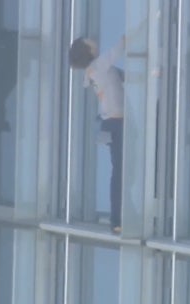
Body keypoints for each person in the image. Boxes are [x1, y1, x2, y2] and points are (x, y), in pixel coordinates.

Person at [69, 37, 125, 234]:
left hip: (113, 123)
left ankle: (118, 218)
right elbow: (121, 45)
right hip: (117, 124)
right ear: (88, 49)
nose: (94, 40)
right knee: (121, 172)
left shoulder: (95, 70)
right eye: (89, 41)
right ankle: (117, 219)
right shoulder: (99, 66)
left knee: (121, 171)